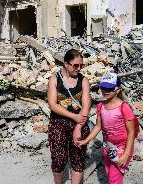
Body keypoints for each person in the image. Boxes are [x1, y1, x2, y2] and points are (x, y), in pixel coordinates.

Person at [77, 73, 136, 184]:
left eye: (109, 88)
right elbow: (98, 126)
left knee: (114, 178)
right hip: (108, 146)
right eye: (103, 88)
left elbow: (131, 132)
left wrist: (126, 154)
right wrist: (86, 140)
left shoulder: (124, 107)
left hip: (122, 147)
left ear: (118, 90)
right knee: (110, 174)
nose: (105, 91)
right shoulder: (101, 106)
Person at [47, 49, 91, 184]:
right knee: (58, 158)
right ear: (66, 64)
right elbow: (53, 105)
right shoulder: (55, 79)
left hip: (79, 123)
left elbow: (86, 105)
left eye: (81, 65)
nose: (79, 68)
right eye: (75, 65)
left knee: (78, 158)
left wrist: (78, 126)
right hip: (58, 122)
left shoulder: (83, 80)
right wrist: (74, 116)